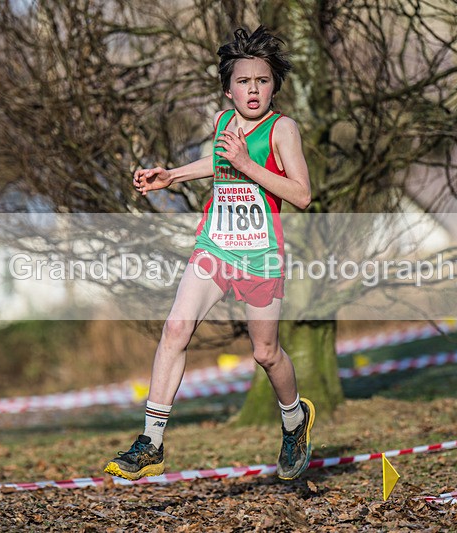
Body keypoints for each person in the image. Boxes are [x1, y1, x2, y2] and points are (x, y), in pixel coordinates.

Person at [104, 26, 315, 481]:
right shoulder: (223, 123)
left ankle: (294, 421)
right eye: (243, 82)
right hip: (216, 246)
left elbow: (302, 195)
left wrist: (247, 165)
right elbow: (217, 164)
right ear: (228, 88)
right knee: (176, 327)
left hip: (260, 255)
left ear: (274, 84)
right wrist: (173, 175)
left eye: (261, 81)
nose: (253, 90)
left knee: (265, 352)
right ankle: (151, 441)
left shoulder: (283, 130)